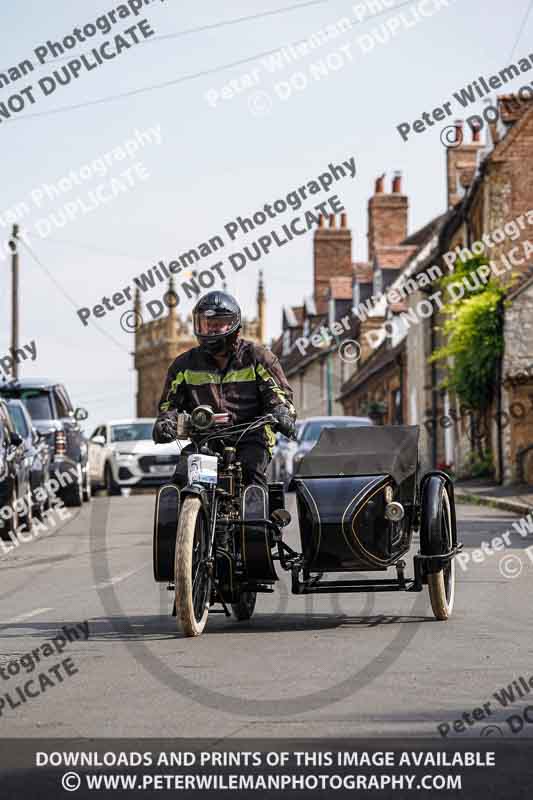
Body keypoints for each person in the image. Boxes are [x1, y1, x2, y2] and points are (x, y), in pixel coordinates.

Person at [153, 290, 296, 488]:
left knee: (251, 473)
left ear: (233, 325)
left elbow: (280, 394)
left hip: (252, 437)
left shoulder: (258, 357)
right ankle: (177, 518)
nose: (211, 330)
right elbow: (169, 404)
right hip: (205, 439)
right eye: (207, 324)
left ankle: (256, 517)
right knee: (180, 480)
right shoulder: (183, 365)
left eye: (218, 324)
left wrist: (282, 412)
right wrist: (165, 422)